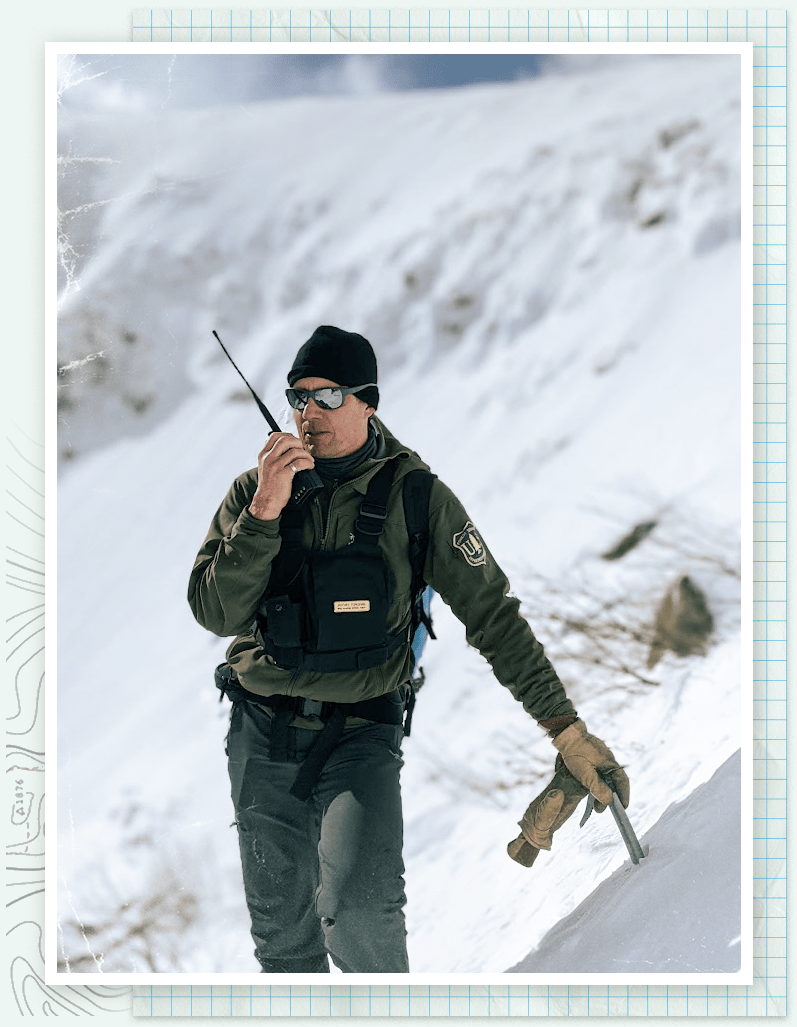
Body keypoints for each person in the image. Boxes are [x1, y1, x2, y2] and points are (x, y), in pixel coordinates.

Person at [188, 325, 629, 974]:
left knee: (365, 917)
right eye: (298, 398)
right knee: (286, 948)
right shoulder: (254, 493)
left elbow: (492, 614)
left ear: (368, 401)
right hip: (260, 735)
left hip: (360, 730)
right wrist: (262, 512)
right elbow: (214, 610)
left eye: (329, 395)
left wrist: (565, 729)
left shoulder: (416, 498)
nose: (309, 414)